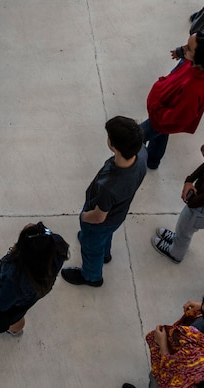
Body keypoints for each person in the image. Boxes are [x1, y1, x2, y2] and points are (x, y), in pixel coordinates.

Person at [62, 116, 148, 287]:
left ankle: (91, 277)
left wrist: (84, 217)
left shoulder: (110, 185)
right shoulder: (142, 154)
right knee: (105, 235)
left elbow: (99, 217)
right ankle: (105, 254)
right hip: (117, 215)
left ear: (114, 148)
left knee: (91, 247)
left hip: (99, 221)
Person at [140, 33, 204, 170]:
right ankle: (153, 161)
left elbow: (181, 117)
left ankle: (143, 161)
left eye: (188, 48)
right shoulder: (203, 63)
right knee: (161, 134)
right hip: (163, 116)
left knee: (138, 135)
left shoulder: (194, 89)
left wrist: (155, 108)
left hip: (161, 117)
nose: (183, 48)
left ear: (199, 57)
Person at [0, 222, 70, 337]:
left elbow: (1, 301)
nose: (30, 224)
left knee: (13, 318)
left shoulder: (16, 277)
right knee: (18, 312)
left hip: (17, 301)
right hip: (33, 293)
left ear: (24, 251)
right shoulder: (57, 247)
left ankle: (15, 329)